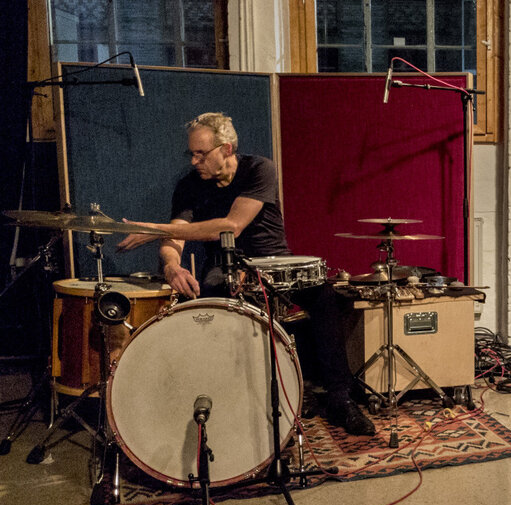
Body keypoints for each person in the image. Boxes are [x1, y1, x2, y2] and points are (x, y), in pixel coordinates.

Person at [117, 112, 375, 436]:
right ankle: (231, 400)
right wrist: (171, 265)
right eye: (191, 153)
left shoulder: (259, 169)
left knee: (323, 295)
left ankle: (339, 398)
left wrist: (154, 229)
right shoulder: (189, 185)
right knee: (209, 299)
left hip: (276, 264)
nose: (194, 160)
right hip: (223, 270)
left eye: (201, 153)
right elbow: (176, 236)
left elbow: (232, 225)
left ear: (226, 149)